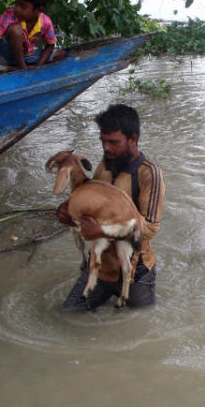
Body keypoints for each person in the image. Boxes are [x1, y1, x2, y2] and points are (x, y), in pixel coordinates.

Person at [60, 104, 165, 310]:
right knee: (67, 314)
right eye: (103, 142)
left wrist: (101, 231)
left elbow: (150, 228)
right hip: (100, 268)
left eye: (114, 142)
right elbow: (91, 200)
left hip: (135, 273)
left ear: (132, 140)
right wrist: (65, 210)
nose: (106, 148)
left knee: (141, 324)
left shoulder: (149, 174)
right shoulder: (105, 163)